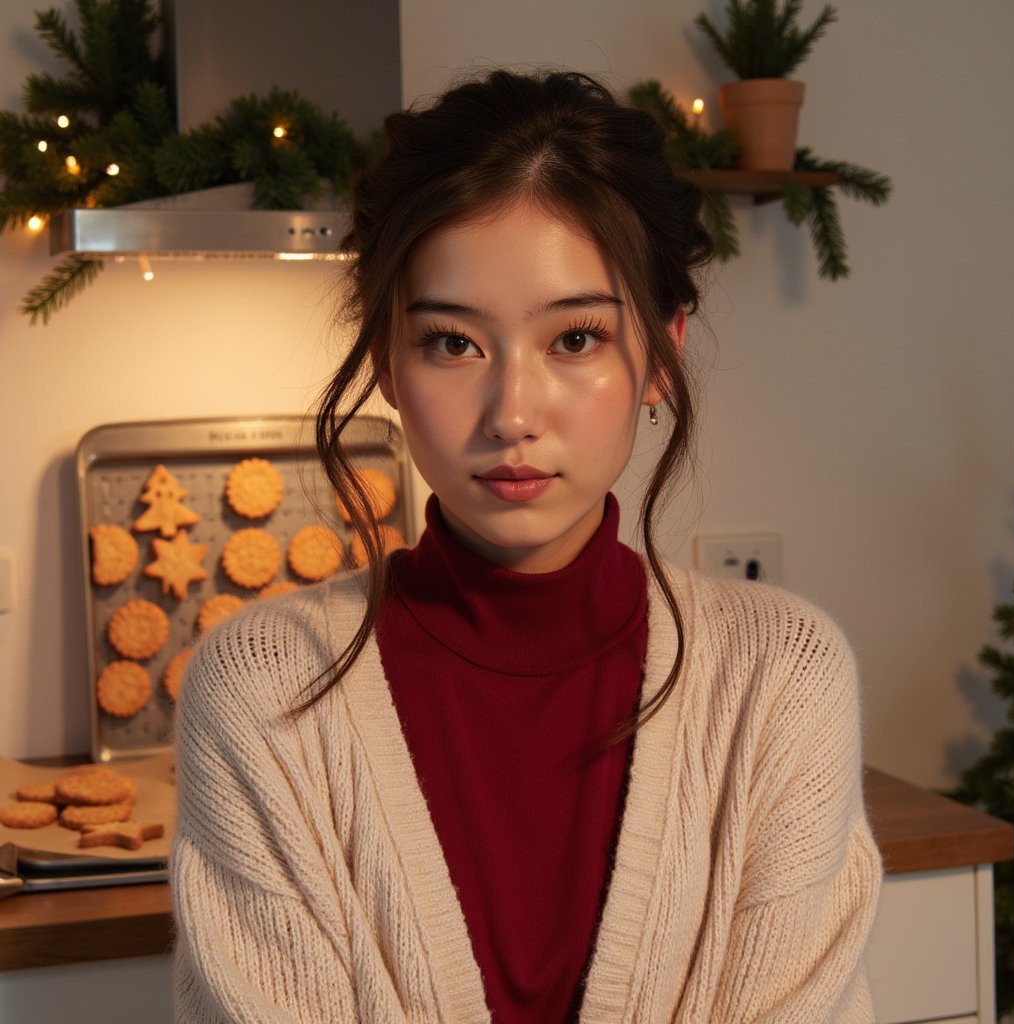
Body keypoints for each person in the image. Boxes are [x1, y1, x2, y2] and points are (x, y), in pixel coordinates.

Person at [171, 69, 881, 1023]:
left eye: (575, 339)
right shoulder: (263, 692)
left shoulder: (782, 679)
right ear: (387, 364)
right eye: (452, 343)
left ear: (662, 352)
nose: (512, 413)